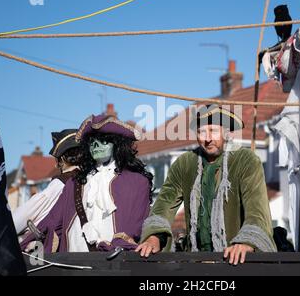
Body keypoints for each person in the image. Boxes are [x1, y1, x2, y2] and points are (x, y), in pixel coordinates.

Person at [136, 105, 276, 265]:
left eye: (213, 131)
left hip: (235, 261)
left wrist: (247, 242)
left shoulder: (246, 161)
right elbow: (163, 204)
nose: (207, 138)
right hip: (195, 261)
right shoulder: (185, 163)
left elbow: (257, 210)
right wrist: (154, 237)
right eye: (202, 132)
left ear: (227, 132)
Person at [20, 114, 153, 252]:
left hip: (115, 264)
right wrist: (31, 245)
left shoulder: (136, 182)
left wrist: (113, 247)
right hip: (74, 264)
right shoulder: (75, 182)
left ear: (117, 144)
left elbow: (134, 226)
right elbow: (52, 222)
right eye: (92, 141)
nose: (96, 145)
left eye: (103, 140)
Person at [13, 129, 82, 240]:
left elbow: (17, 220)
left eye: (57, 160)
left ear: (63, 159)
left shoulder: (60, 183)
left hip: (49, 252)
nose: (55, 166)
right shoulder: (91, 180)